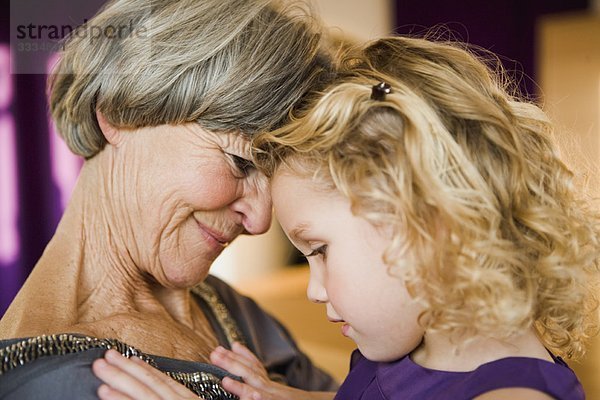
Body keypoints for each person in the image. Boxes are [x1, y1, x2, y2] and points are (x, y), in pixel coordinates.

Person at [92, 36, 600, 400]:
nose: (314, 290)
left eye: (320, 251)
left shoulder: (509, 392)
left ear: (428, 222)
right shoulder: (409, 345)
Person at [0, 0, 339, 398]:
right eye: (240, 162)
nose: (261, 221)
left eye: (274, 179)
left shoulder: (227, 307)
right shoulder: (43, 382)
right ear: (118, 110)